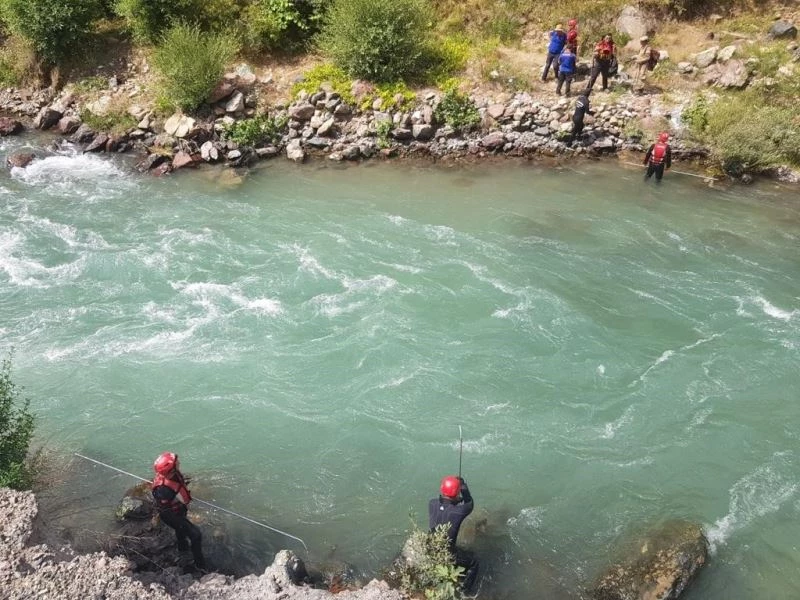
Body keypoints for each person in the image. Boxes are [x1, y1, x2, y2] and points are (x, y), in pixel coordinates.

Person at [151, 452, 206, 570]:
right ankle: (200, 566)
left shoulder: (172, 475)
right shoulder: (163, 490)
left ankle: (183, 549)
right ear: (171, 470)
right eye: (177, 463)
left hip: (178, 510)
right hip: (171, 515)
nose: (179, 462)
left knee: (181, 531)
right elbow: (165, 506)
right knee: (196, 535)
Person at [429, 475, 478, 592]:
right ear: (456, 493)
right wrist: (463, 486)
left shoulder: (431, 503)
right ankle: (464, 591)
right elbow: (469, 502)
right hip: (448, 555)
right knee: (474, 562)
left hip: (430, 550)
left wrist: (456, 498)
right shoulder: (459, 511)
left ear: (442, 489)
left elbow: (444, 505)